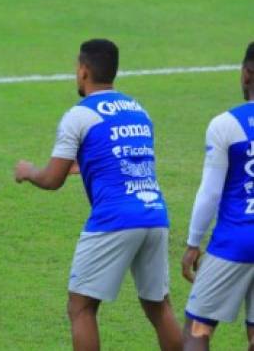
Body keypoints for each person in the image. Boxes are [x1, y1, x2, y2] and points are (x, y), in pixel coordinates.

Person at [14, 38, 182, 351]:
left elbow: (52, 179)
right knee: (160, 308)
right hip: (154, 215)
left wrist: (28, 171)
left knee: (81, 308)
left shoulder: (79, 115)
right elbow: (125, 158)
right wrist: (86, 164)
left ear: (83, 71)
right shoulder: (138, 111)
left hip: (114, 219)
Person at [181, 42, 254, 350]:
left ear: (247, 74)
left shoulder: (226, 124)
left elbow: (210, 192)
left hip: (234, 240)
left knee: (198, 328)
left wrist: (193, 243)